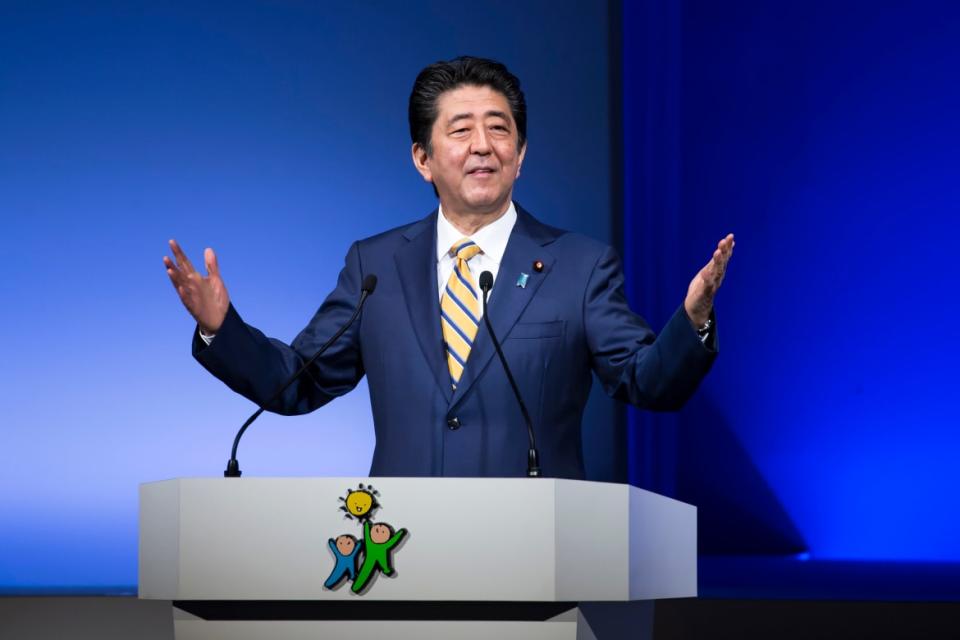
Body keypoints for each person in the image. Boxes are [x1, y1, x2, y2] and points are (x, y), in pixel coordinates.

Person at [163, 56, 734, 478]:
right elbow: (297, 382)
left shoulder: (580, 266)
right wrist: (222, 328)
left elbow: (646, 380)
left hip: (538, 552)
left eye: (499, 128)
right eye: (460, 131)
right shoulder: (375, 266)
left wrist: (693, 319)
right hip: (400, 554)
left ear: (522, 154)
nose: (482, 145)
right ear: (423, 159)